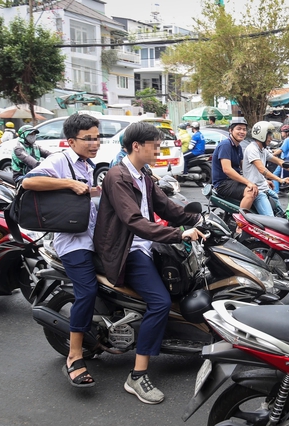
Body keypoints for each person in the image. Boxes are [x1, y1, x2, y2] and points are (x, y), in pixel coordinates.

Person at [94, 121, 204, 404]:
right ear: (136, 146)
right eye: (154, 146)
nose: (158, 150)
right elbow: (134, 222)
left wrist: (201, 220)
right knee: (160, 302)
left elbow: (168, 207)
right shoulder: (117, 177)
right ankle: (137, 375)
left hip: (144, 245)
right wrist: (179, 234)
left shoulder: (142, 174)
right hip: (127, 250)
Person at [22, 113, 102, 388]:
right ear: (71, 141)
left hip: (93, 236)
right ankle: (75, 356)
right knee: (87, 291)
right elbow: (29, 182)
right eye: (88, 139)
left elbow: (84, 197)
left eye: (97, 137)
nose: (95, 143)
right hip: (72, 242)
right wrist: (69, 183)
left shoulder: (87, 164)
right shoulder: (60, 160)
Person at [243, 121, 289, 217]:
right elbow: (262, 170)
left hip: (264, 187)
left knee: (281, 213)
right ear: (262, 135)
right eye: (269, 135)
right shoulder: (252, 149)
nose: (271, 138)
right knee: (271, 219)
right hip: (257, 191)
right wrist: (280, 180)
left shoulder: (262, 150)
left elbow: (279, 162)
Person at [211, 117, 257, 210]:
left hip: (233, 182)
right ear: (231, 130)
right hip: (223, 184)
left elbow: (244, 167)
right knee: (250, 192)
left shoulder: (238, 147)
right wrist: (248, 182)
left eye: (244, 129)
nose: (242, 132)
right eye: (239, 129)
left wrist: (261, 180)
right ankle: (241, 223)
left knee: (257, 188)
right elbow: (227, 170)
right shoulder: (225, 145)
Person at [272, 124, 289, 193]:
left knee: (274, 175)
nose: (281, 133)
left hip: (284, 161)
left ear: (287, 133)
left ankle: (276, 191)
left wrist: (270, 155)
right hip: (287, 160)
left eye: (282, 132)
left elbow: (280, 151)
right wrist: (273, 150)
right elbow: (280, 148)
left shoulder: (287, 140)